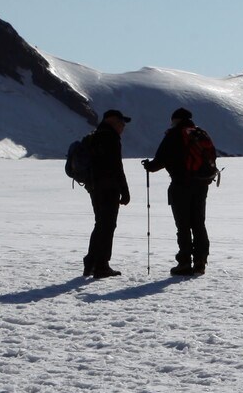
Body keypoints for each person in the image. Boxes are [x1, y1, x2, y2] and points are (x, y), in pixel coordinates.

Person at [142, 106, 219, 276]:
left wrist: (148, 166)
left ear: (176, 120)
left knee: (183, 225)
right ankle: (200, 261)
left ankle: (184, 263)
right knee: (198, 223)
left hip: (181, 185)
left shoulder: (174, 135)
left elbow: (159, 160)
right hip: (201, 184)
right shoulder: (200, 134)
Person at [72, 108, 132, 278]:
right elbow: (116, 166)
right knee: (107, 225)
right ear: (111, 120)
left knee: (101, 224)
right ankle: (101, 265)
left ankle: (91, 263)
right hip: (108, 188)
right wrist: (125, 190)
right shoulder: (110, 137)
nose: (123, 126)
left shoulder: (94, 136)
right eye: (121, 122)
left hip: (94, 187)